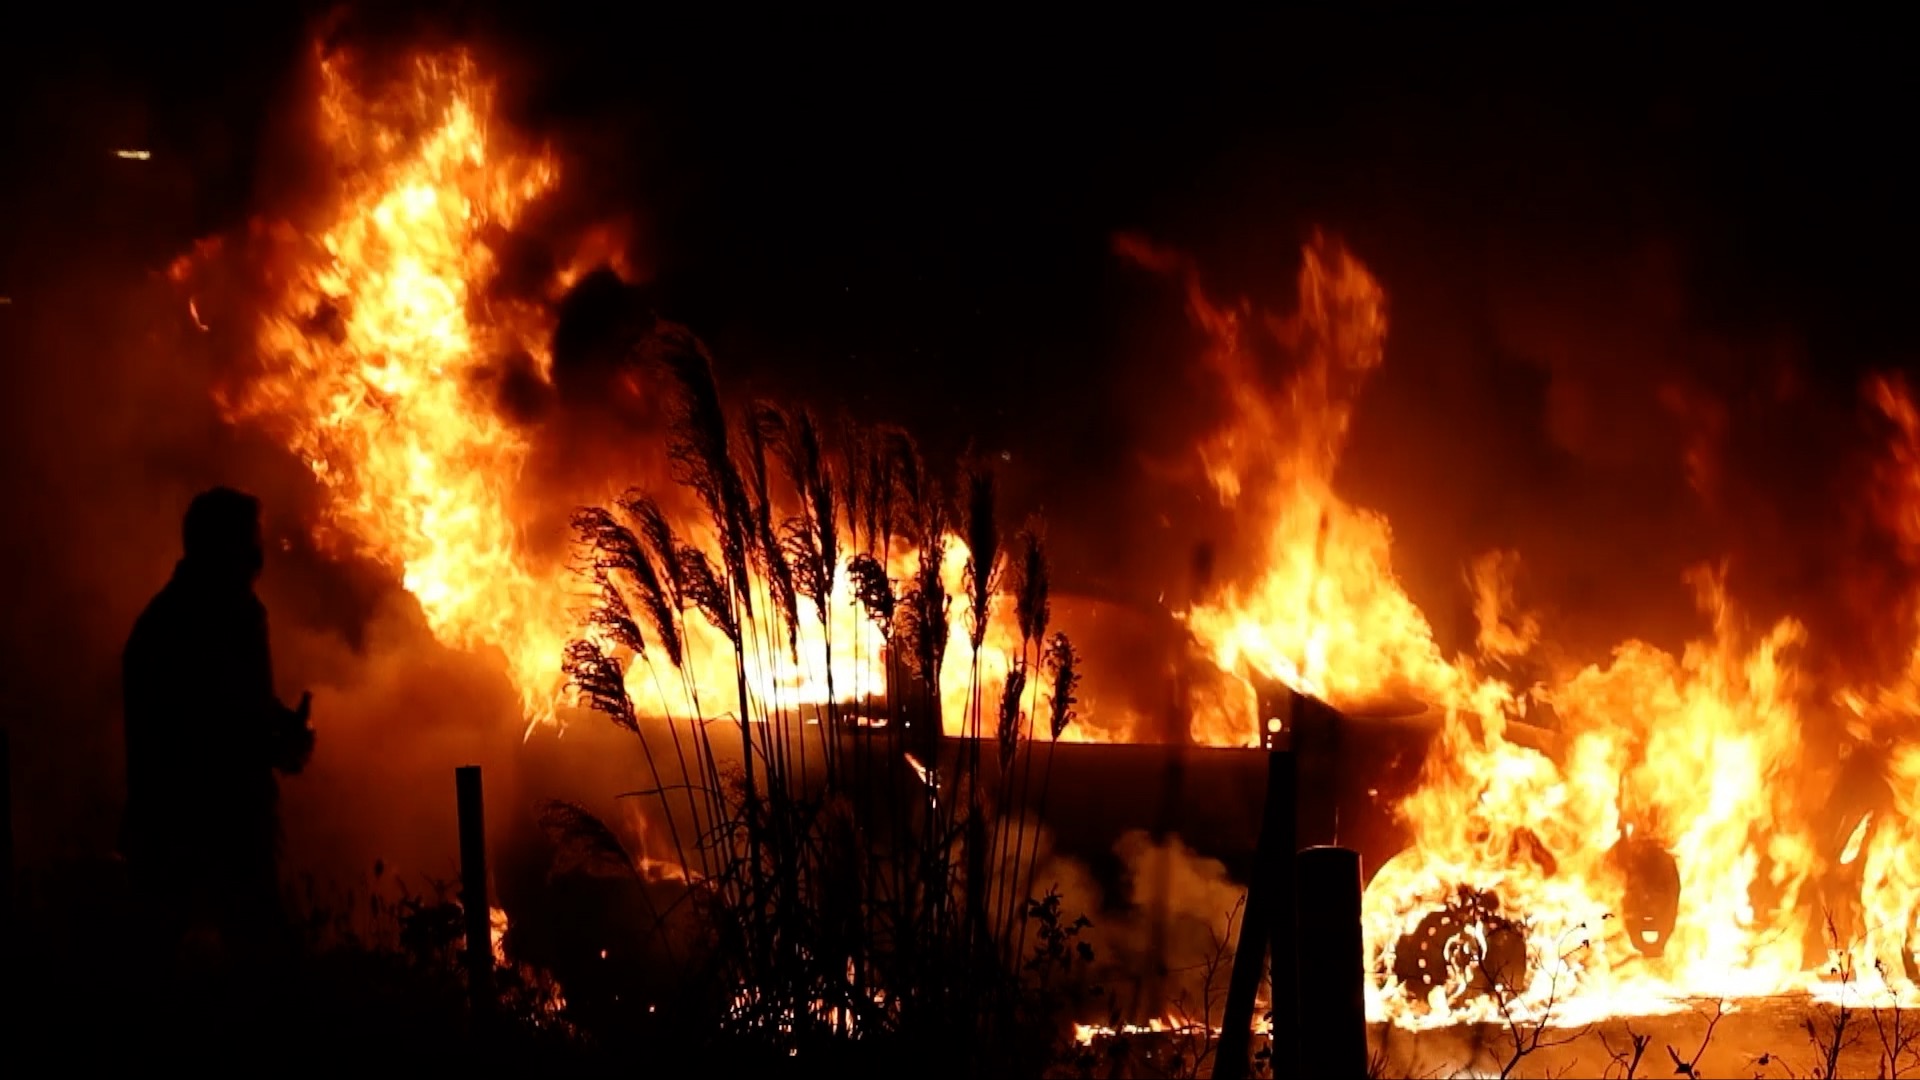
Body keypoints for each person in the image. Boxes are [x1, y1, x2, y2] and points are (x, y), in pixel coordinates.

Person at [119, 486, 315, 983]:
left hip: (220, 831)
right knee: (244, 977)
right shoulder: (182, 628)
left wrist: (280, 725)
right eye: (249, 543)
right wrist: (277, 743)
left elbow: (243, 705)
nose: (258, 557)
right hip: (195, 833)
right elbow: (210, 730)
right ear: (218, 548)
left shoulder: (223, 615)